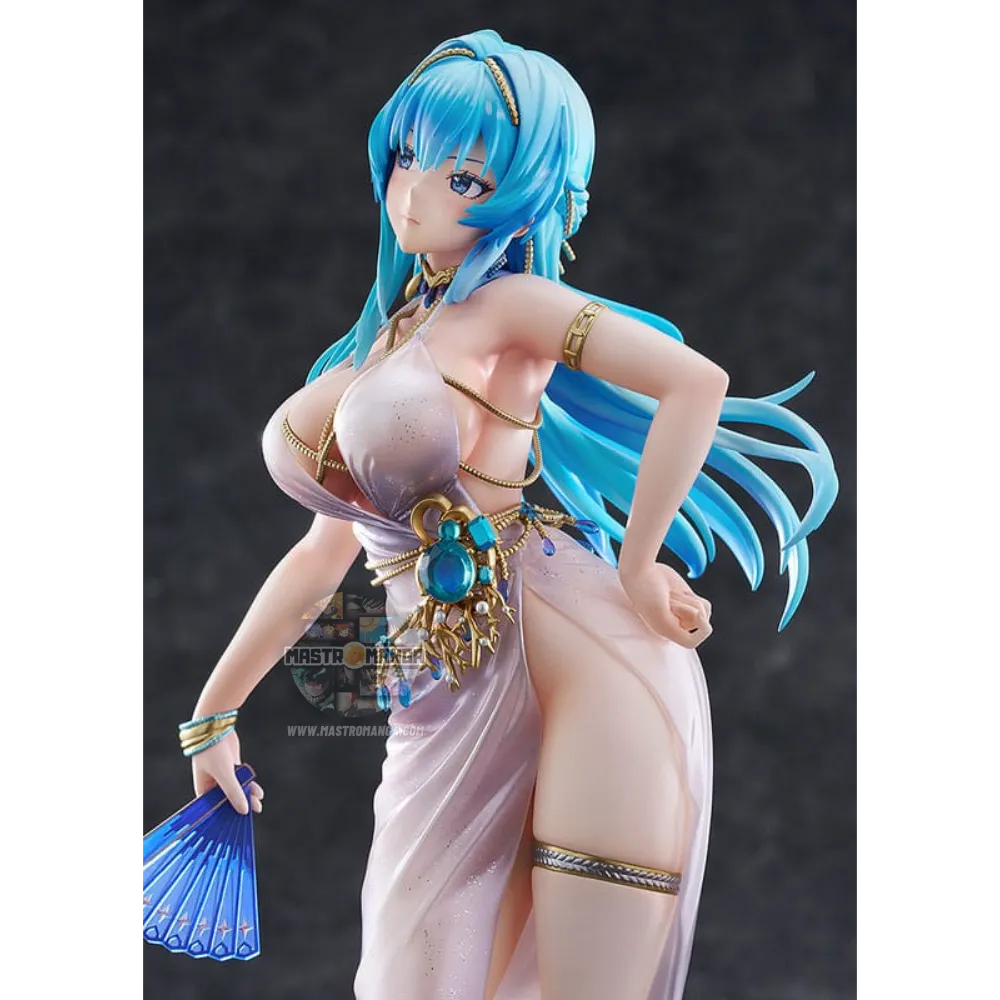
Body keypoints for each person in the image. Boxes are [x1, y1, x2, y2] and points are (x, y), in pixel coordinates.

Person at [181, 30, 838, 1000]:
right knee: (406, 974)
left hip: (572, 651)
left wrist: (637, 563)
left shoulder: (512, 310)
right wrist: (213, 712)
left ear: (526, 192)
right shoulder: (367, 349)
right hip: (441, 688)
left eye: (465, 179)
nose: (415, 193)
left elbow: (694, 382)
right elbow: (321, 557)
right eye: (408, 157)